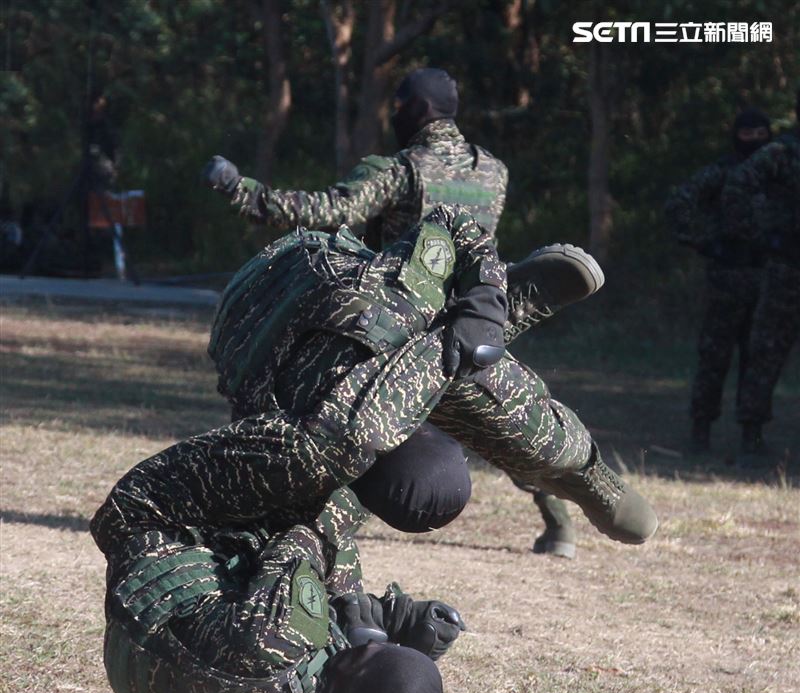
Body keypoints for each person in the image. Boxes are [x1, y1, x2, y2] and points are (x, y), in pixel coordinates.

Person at [92, 322, 470, 693]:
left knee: (315, 465)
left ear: (351, 661)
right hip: (140, 673)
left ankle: (449, 344)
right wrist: (386, 627)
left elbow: (302, 537)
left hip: (143, 525)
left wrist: (370, 480)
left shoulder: (279, 635)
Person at [203, 66, 585, 557]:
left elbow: (324, 212)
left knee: (343, 422)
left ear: (414, 110)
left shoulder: (403, 170)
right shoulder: (492, 170)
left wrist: (241, 189)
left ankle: (305, 528)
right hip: (476, 320)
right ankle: (560, 528)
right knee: (501, 420)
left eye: (398, 106)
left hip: (399, 325)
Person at [208, 202, 657, 552]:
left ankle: (501, 304)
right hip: (249, 335)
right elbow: (308, 546)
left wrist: (483, 302)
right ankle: (488, 312)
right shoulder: (300, 460)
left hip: (316, 279)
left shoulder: (393, 307)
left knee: (512, 412)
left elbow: (453, 222)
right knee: (464, 379)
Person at [665, 108, 772, 453]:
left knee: (758, 360)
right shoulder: (722, 172)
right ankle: (701, 431)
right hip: (726, 278)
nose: (755, 141)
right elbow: (679, 204)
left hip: (768, 278)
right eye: (748, 134)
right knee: (715, 357)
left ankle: (751, 435)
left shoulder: (778, 174)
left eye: (761, 134)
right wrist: (704, 242)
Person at [721, 91, 800, 466]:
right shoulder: (782, 152)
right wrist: (762, 233)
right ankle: (751, 434)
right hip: (787, 269)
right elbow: (737, 186)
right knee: (766, 352)